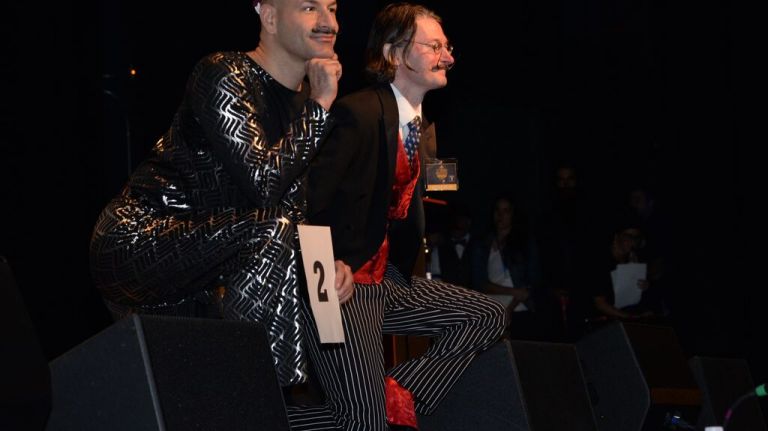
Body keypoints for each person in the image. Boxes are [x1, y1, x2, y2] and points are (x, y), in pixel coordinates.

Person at [89, 0, 354, 402]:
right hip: (137, 240)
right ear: (268, 17)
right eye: (308, 8)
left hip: (214, 268)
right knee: (270, 230)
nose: (328, 23)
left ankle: (256, 402)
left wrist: (321, 265)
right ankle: (259, 401)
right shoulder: (223, 72)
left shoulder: (305, 104)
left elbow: (290, 208)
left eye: (332, 8)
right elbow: (264, 185)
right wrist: (320, 105)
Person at [306, 3, 506, 430]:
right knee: (361, 421)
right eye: (435, 46)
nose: (448, 57)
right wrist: (325, 265)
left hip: (387, 280)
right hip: (340, 281)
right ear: (396, 53)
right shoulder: (357, 113)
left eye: (447, 47)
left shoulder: (420, 127)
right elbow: (307, 201)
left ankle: (396, 393)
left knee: (486, 316)